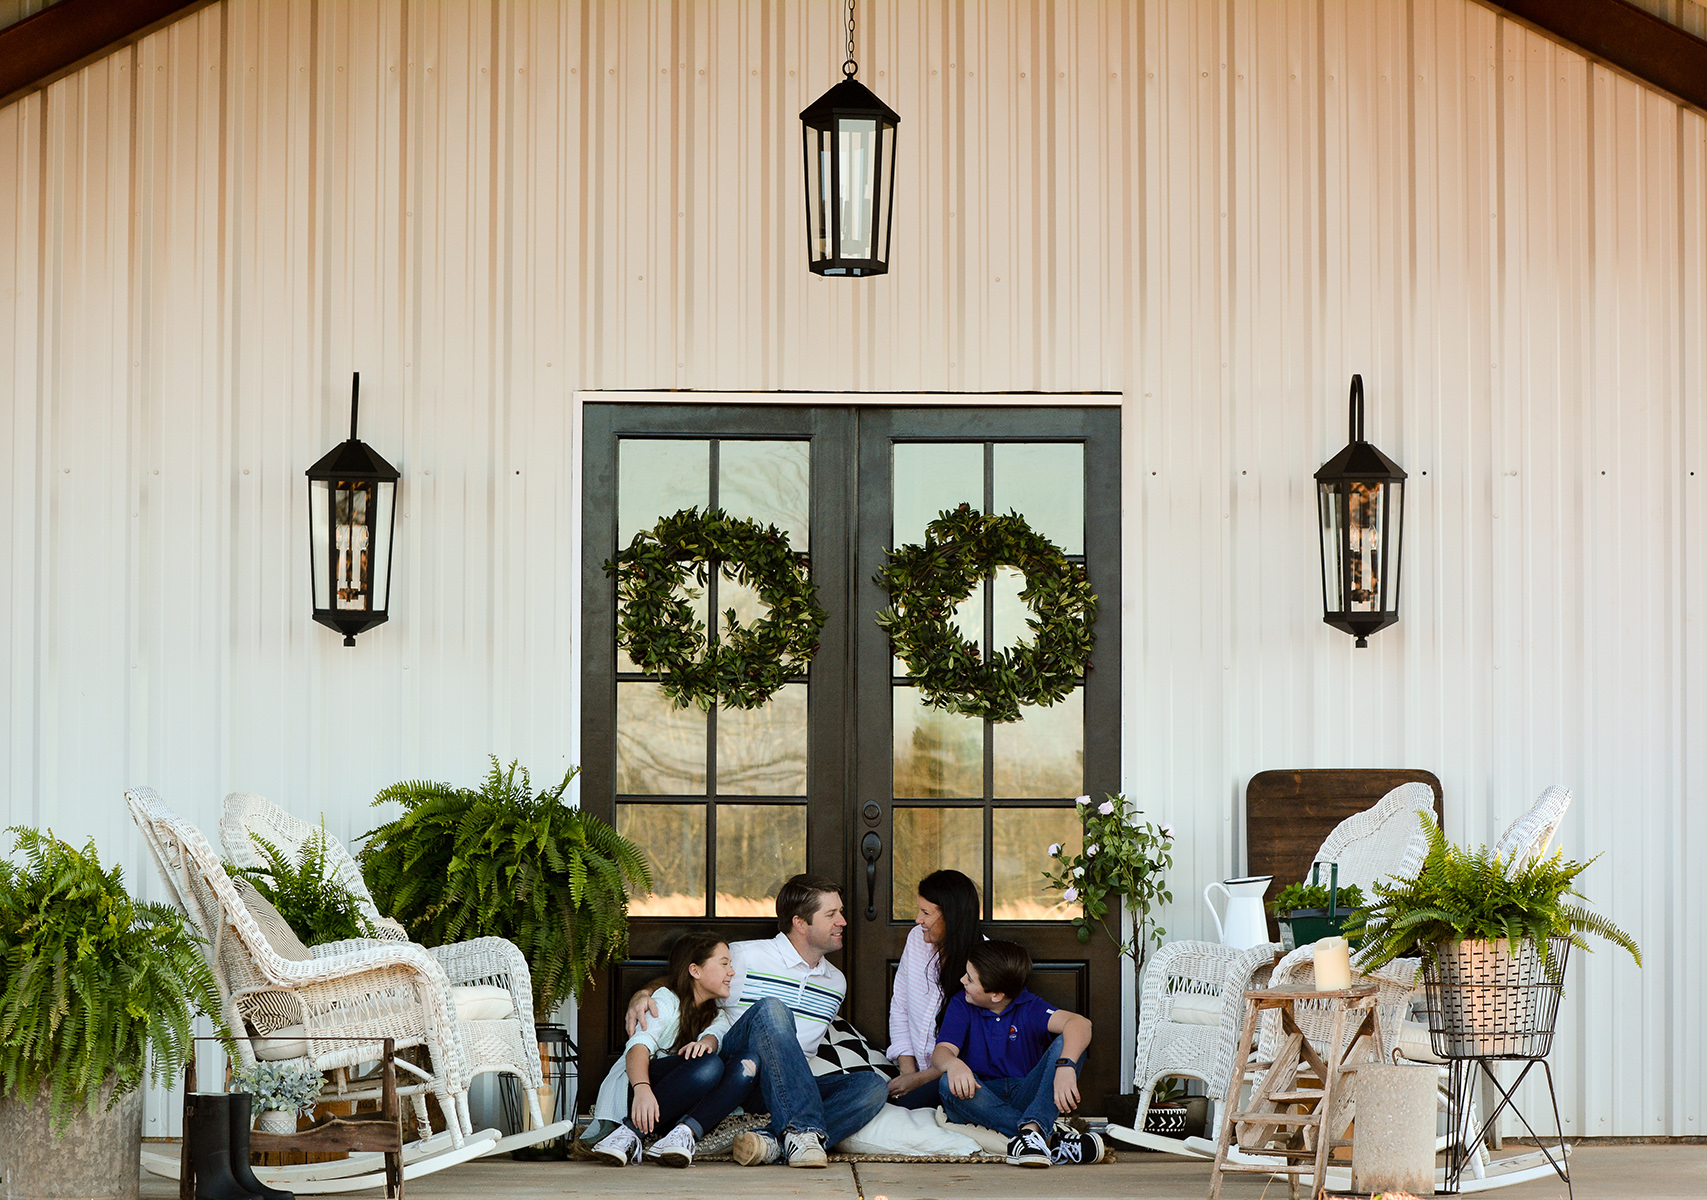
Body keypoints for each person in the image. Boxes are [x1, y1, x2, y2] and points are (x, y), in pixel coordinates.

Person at [626, 874, 888, 1168]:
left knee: (872, 1086)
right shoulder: (745, 956)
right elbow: (691, 980)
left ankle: (771, 1142)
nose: (843, 921)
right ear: (800, 923)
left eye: (840, 912)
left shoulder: (836, 983)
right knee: (772, 1009)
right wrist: (644, 992)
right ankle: (801, 1133)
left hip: (787, 1090)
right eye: (832, 914)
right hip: (741, 1070)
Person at [932, 939, 1104, 1168]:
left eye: (970, 978)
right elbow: (942, 1052)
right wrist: (954, 1065)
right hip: (979, 1095)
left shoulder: (1029, 1006)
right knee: (946, 1083)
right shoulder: (961, 1005)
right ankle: (1046, 1137)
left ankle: (1031, 1135)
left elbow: (1080, 1024)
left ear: (996, 995)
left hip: (1023, 1093)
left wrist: (1065, 1066)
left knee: (1070, 1043)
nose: (962, 980)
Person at [590, 933, 756, 1168]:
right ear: (695, 971)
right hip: (639, 1092)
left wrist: (705, 1044)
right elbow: (638, 1046)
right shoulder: (665, 1000)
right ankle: (627, 1134)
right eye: (724, 963)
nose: (731, 972)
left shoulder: (718, 1016)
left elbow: (714, 1037)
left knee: (747, 1063)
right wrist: (642, 1089)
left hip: (673, 1110)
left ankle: (683, 1133)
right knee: (710, 1065)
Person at [886, 868, 982, 1110]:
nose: (919, 920)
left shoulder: (984, 962)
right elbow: (900, 1006)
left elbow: (976, 1049)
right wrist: (908, 1072)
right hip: (915, 1073)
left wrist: (919, 1080)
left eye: (926, 913)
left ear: (951, 916)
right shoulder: (916, 940)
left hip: (958, 1079)